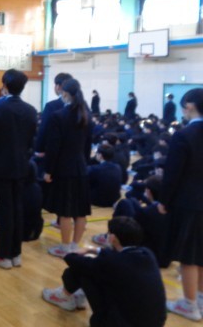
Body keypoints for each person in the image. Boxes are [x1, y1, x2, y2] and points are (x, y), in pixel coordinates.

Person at [42, 217, 166, 327]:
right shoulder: (147, 253)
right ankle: (77, 297)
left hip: (119, 323)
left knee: (81, 270)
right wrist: (93, 250)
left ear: (113, 238)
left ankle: (64, 297)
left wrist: (76, 252)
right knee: (96, 273)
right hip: (156, 322)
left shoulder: (112, 262)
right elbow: (111, 256)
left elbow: (71, 259)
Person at [0, 69, 37, 269]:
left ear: (4, 85)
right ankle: (16, 254)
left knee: (5, 210)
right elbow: (31, 142)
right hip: (22, 165)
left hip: (2, 166)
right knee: (17, 208)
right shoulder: (31, 110)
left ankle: (3, 255)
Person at [159, 88, 203, 321]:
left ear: (190, 106)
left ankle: (189, 304)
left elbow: (173, 174)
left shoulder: (184, 135)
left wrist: (164, 201)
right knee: (201, 253)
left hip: (190, 202)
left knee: (189, 255)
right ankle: (200, 299)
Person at [44, 78, 93, 257]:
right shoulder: (86, 115)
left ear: (64, 93)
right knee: (80, 211)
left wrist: (49, 170)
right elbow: (87, 146)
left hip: (64, 169)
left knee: (65, 211)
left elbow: (53, 147)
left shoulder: (59, 116)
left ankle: (64, 248)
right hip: (81, 167)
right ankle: (74, 245)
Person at [87, 144, 122, 208]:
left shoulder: (94, 169)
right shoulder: (118, 167)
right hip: (114, 199)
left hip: (97, 201)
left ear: (100, 155)